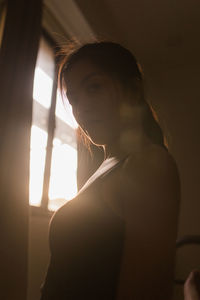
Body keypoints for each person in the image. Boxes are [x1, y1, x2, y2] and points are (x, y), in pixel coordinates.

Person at [40, 41, 192, 300]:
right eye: (73, 97)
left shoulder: (148, 164)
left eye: (94, 87)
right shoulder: (107, 167)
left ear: (132, 90)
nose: (81, 107)